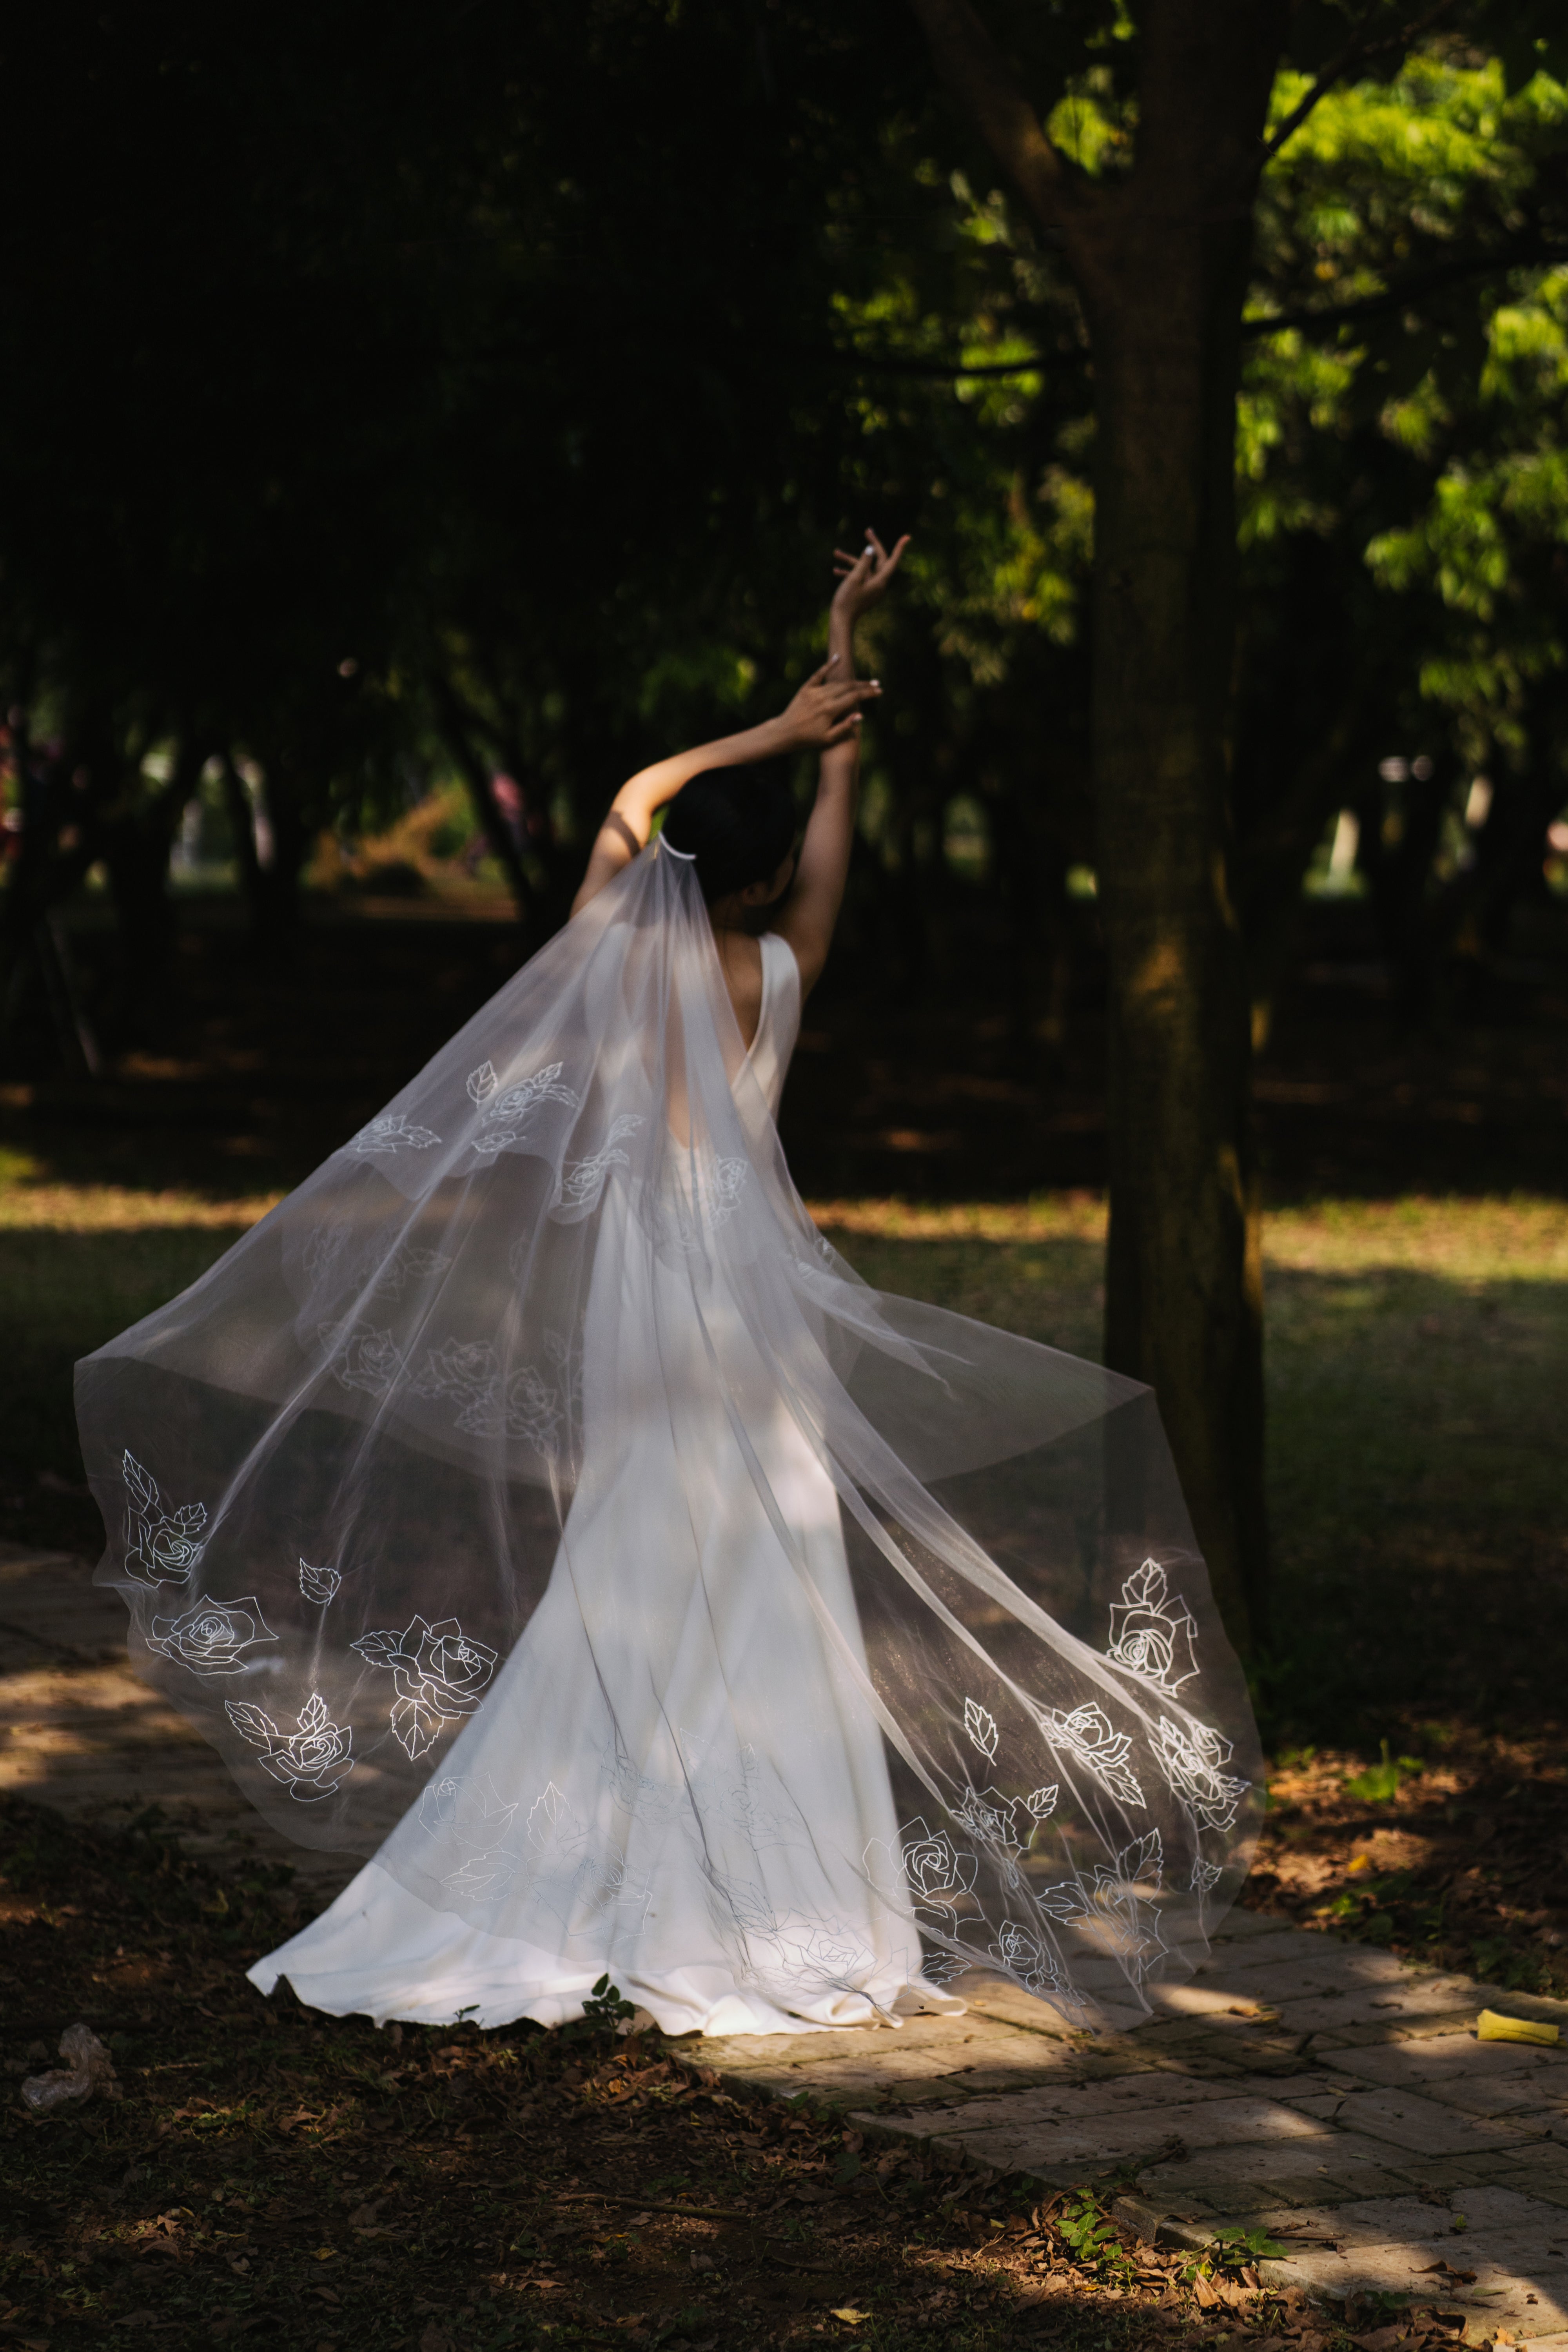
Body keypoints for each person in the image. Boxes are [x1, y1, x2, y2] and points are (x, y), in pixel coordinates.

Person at [75, 534, 1261, 2039]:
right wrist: (840, 727)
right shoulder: (777, 970)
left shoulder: (615, 974)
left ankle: (631, 1859)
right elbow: (821, 862)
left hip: (649, 1309)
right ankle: (793, 1900)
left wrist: (779, 724)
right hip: (747, 1310)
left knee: (633, 1575)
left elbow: (639, 802)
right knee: (772, 1574)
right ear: (764, 877)